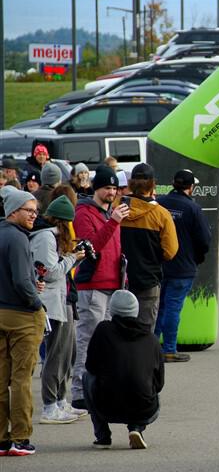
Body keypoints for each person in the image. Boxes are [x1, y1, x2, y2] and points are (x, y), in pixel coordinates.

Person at [71, 166, 129, 410]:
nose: (112, 192)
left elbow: (113, 249)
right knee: (88, 339)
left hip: (112, 284)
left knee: (106, 342)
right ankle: (78, 392)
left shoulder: (109, 213)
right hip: (93, 285)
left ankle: (100, 389)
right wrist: (113, 222)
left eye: (114, 188)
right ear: (97, 188)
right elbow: (91, 247)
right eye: (107, 188)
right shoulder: (85, 213)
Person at [30, 195, 87, 424]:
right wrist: (73, 257)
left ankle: (61, 400)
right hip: (53, 303)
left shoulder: (52, 237)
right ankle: (50, 405)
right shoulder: (45, 237)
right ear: (63, 222)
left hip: (64, 299)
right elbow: (50, 272)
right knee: (56, 355)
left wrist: (74, 257)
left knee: (67, 353)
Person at [83, 290, 164, 450]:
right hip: (144, 407)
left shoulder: (103, 330)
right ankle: (136, 428)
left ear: (113, 310)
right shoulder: (151, 338)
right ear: (135, 310)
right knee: (147, 385)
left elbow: (90, 365)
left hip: (106, 404)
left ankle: (103, 436)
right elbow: (159, 382)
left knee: (87, 377)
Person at [0, 189, 47, 456]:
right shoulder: (17, 239)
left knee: (0, 378)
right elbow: (19, 279)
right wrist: (36, 302)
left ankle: (2, 439)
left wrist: (31, 282)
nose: (34, 215)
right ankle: (20, 437)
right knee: (21, 379)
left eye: (35, 211)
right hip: (21, 316)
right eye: (29, 210)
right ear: (14, 211)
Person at [154, 170, 211, 363]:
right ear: (191, 187)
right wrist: (197, 258)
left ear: (172, 183)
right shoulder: (193, 208)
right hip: (183, 267)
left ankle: (151, 349)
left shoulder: (160, 203)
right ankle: (169, 349)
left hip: (160, 265)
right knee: (173, 308)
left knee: (158, 307)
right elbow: (204, 240)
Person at [120, 163, 179, 333]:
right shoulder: (161, 214)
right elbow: (170, 251)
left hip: (119, 279)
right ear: (153, 184)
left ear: (131, 183)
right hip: (148, 278)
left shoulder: (118, 208)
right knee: (144, 331)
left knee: (121, 329)